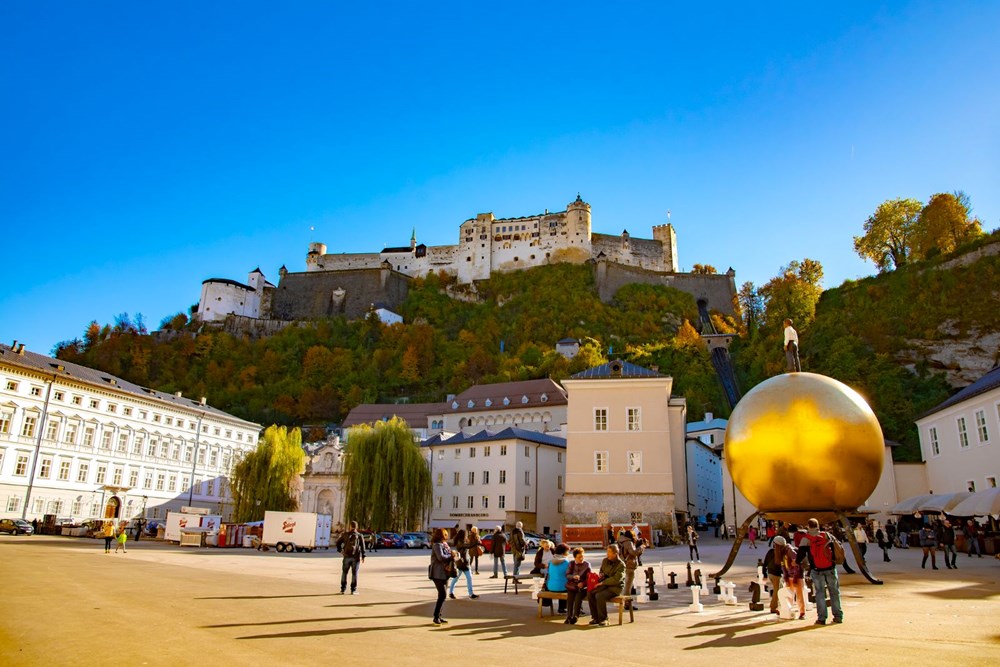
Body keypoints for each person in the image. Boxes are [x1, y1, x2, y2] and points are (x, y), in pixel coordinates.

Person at [798, 518, 843, 625]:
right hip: (830, 568)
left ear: (808, 526)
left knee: (820, 593)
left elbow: (800, 554)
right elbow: (837, 546)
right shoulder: (827, 535)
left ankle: (822, 618)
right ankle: (838, 616)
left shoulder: (806, 539)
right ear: (818, 525)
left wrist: (797, 562)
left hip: (816, 569)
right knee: (834, 592)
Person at [587, 544, 625, 627]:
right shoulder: (605, 561)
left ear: (615, 553)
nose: (607, 554)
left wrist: (603, 582)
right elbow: (601, 571)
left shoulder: (621, 564)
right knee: (591, 593)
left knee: (599, 595)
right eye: (607, 552)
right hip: (604, 584)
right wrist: (601, 576)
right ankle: (595, 617)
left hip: (615, 587)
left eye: (609, 552)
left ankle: (604, 619)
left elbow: (616, 579)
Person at [429, 528, 453, 625]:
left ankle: (439, 615)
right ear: (441, 535)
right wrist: (451, 556)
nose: (447, 536)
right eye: (445, 534)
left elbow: (446, 555)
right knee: (442, 594)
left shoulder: (444, 545)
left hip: (444, 572)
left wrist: (453, 555)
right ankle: (436, 616)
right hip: (437, 573)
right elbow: (441, 557)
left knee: (443, 595)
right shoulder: (437, 545)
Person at [335, 520, 367, 594]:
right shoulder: (359, 536)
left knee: (344, 573)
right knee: (354, 574)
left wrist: (340, 550)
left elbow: (338, 542)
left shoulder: (345, 534)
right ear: (357, 527)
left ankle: (342, 589)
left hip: (346, 556)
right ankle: (353, 590)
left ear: (350, 526)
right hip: (355, 557)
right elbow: (363, 547)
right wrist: (363, 556)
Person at [779, 536, 805, 620]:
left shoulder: (790, 551)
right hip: (790, 576)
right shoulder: (782, 552)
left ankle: (802, 612)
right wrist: (786, 577)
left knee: (799, 595)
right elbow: (783, 566)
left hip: (796, 576)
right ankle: (789, 610)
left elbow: (797, 564)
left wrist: (795, 577)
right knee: (789, 594)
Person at [448, 529, 479, 600]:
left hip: (465, 563)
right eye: (466, 534)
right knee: (455, 578)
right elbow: (468, 546)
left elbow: (468, 546)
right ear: (463, 535)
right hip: (461, 563)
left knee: (469, 578)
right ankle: (451, 592)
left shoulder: (463, 541)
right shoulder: (460, 542)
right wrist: (476, 542)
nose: (467, 535)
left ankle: (471, 594)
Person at [617, 529, 644, 609]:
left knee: (627, 584)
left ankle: (624, 602)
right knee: (628, 586)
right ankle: (627, 603)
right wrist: (641, 548)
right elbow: (633, 552)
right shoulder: (628, 542)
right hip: (629, 564)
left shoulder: (621, 541)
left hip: (623, 563)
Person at [565, 547, 592, 625]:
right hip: (572, 585)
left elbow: (589, 578)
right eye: (579, 557)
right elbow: (567, 575)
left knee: (578, 598)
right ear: (575, 557)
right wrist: (573, 577)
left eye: (582, 556)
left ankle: (575, 616)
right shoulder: (571, 563)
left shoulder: (587, 565)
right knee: (570, 598)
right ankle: (569, 616)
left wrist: (583, 583)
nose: (581, 558)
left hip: (582, 587)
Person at [544, 543, 570, 614]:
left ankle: (562, 608)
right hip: (562, 588)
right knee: (566, 586)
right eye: (567, 551)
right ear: (563, 552)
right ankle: (563, 608)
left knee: (560, 583)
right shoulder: (567, 562)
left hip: (550, 587)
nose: (568, 553)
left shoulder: (551, 562)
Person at [762, 536, 785, 614]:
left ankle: (776, 605)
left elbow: (765, 563)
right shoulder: (781, 553)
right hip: (776, 575)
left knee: (778, 589)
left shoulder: (770, 551)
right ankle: (773, 607)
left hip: (770, 573)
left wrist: (764, 574)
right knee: (777, 591)